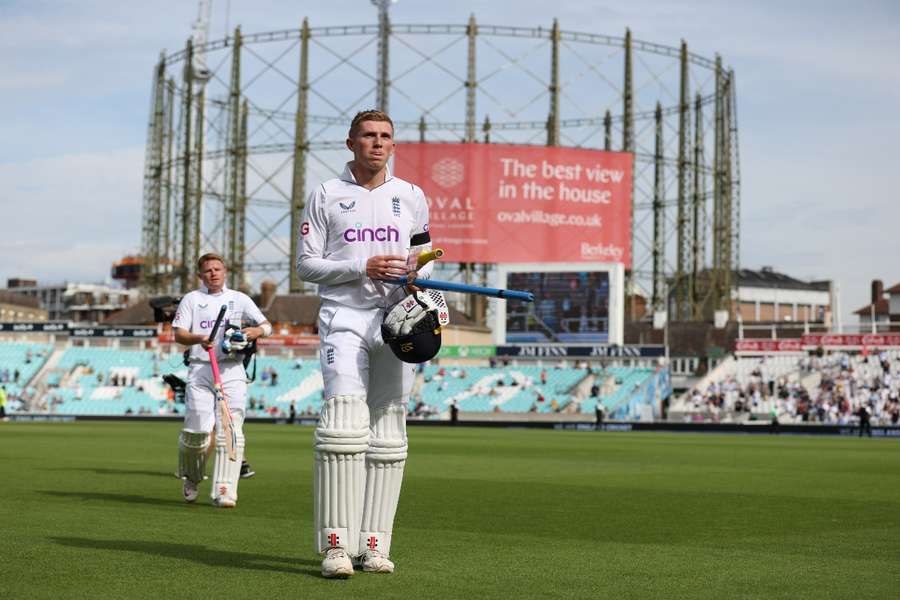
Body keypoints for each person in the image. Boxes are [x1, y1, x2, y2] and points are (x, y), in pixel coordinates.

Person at [297, 109, 434, 578]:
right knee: (343, 426)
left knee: (389, 431)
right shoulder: (326, 194)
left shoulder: (412, 196)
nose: (378, 143)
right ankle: (336, 546)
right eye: (369, 136)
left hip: (396, 319)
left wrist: (419, 277)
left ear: (393, 145)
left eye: (386, 137)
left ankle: (374, 545)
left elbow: (424, 255)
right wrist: (361, 267)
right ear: (350, 143)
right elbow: (306, 265)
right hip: (345, 317)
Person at [172, 253, 272, 508]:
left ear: (225, 271)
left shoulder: (239, 299)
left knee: (231, 430)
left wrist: (253, 332)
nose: (213, 274)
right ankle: (192, 478)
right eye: (208, 271)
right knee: (196, 434)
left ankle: (224, 490)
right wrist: (199, 339)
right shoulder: (192, 299)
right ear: (200, 275)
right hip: (200, 369)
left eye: (217, 269)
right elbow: (179, 335)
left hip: (232, 370)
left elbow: (266, 325)